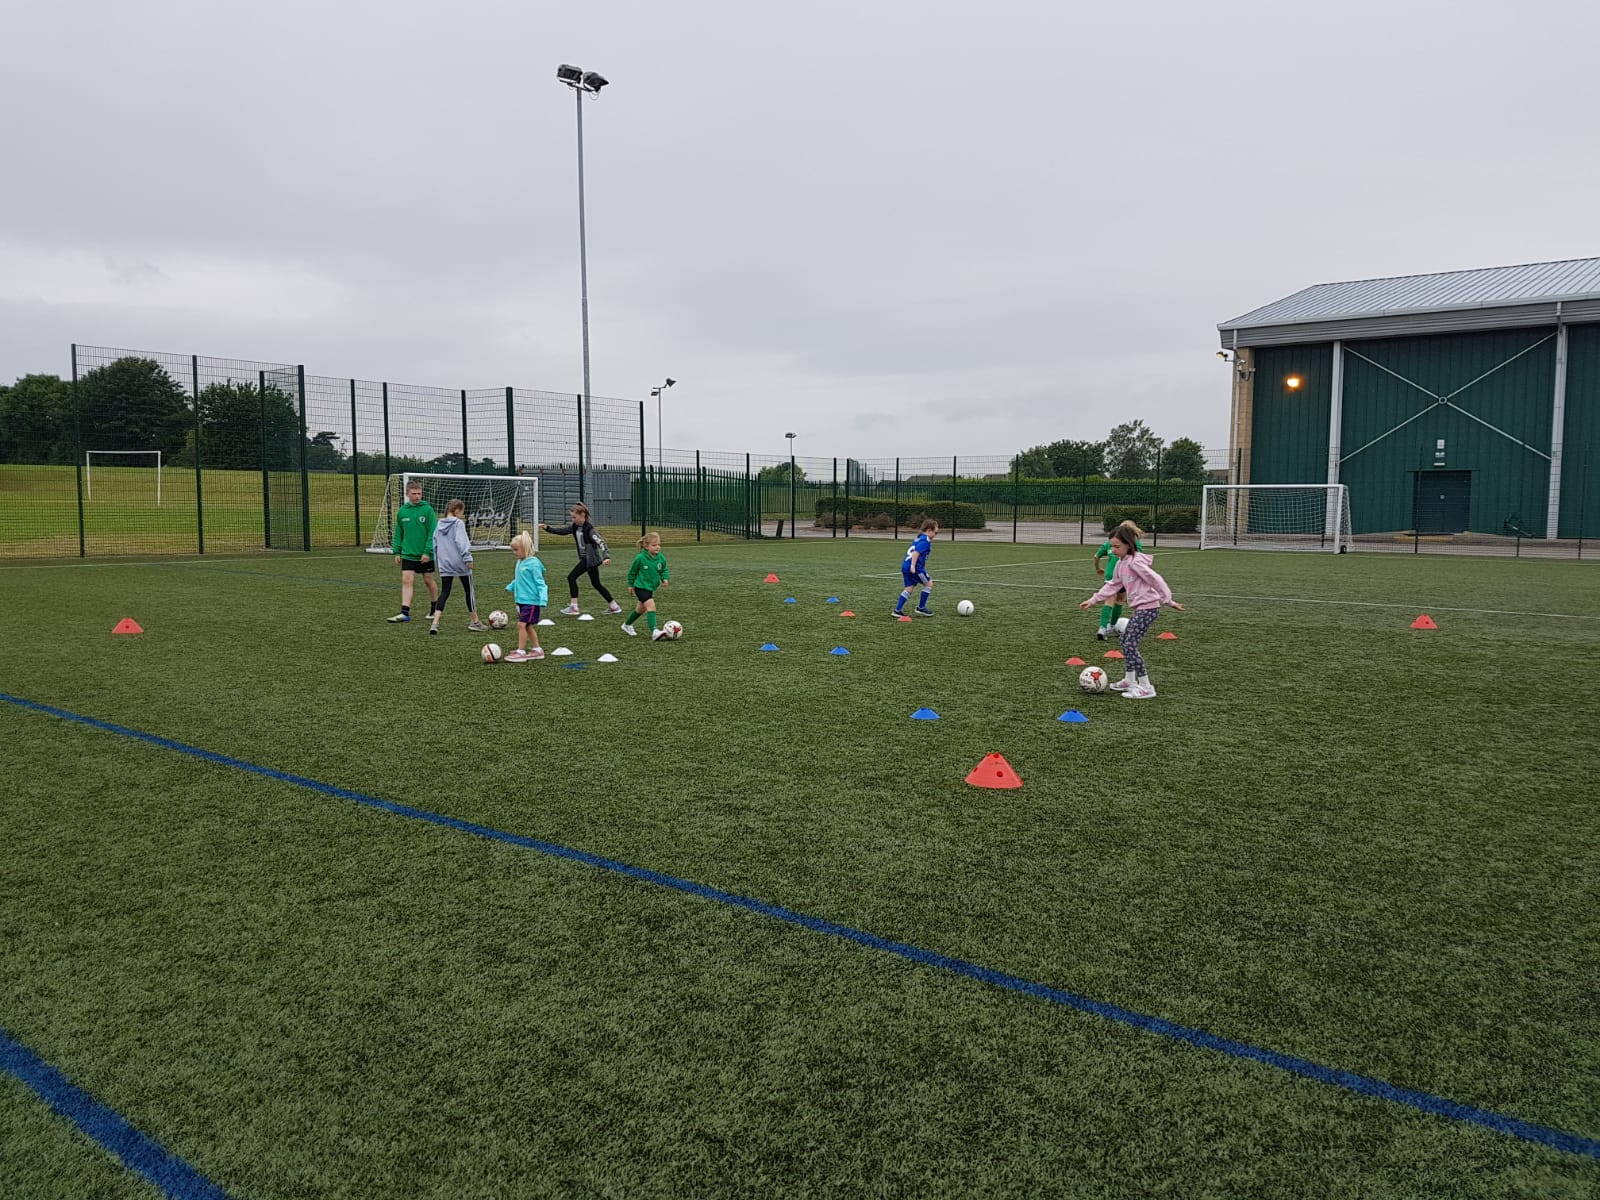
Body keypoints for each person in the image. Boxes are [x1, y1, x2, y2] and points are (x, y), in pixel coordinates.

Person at [1079, 529, 1184, 699]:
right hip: (1140, 609)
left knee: (1130, 645)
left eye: (1117, 546)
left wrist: (1168, 600)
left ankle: (1146, 686)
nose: (1113, 550)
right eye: (1111, 546)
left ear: (1128, 545)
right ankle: (1129, 680)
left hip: (1148, 609)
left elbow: (1156, 579)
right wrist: (1093, 600)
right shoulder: (1121, 563)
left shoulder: (1135, 563)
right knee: (1124, 640)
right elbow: (1112, 585)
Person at [540, 502, 620, 616]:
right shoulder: (575, 527)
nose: (573, 520)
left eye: (574, 517)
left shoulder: (589, 529)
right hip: (586, 560)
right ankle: (614, 606)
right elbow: (562, 531)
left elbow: (601, 543)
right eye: (572, 517)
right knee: (596, 584)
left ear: (583, 515)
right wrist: (548, 528)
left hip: (590, 560)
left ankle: (574, 607)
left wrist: (606, 556)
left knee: (571, 577)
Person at [429, 499, 488, 635]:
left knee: (445, 592)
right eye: (462, 512)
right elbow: (461, 542)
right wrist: (468, 558)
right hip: (460, 562)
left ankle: (435, 623)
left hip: (445, 563)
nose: (463, 515)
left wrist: (439, 563)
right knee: (469, 590)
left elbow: (435, 545)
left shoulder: (438, 525)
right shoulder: (458, 524)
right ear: (456, 511)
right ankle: (475, 621)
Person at [387, 479, 440, 623]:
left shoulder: (427, 510)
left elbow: (433, 533)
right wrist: (397, 551)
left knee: (428, 580)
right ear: (407, 494)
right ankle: (404, 612)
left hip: (425, 554)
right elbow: (399, 533)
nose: (417, 496)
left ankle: (434, 608)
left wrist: (427, 552)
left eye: (419, 493)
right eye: (414, 493)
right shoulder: (402, 511)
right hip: (408, 553)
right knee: (407, 580)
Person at [1093, 520, 1144, 640]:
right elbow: (1139, 561)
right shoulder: (1135, 544)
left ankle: (1102, 628)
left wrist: (1098, 568)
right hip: (1125, 577)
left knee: (1109, 601)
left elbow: (1096, 556)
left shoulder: (1109, 543)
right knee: (1120, 601)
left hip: (1111, 576)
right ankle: (1112, 626)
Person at [503, 530, 547, 661]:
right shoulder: (520, 561)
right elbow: (520, 579)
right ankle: (537, 650)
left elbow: (541, 583)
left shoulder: (533, 563)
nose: (514, 553)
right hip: (522, 600)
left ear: (525, 548)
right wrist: (511, 586)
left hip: (531, 601)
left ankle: (521, 651)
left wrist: (543, 598)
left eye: (516, 550)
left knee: (521, 625)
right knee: (527, 626)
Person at [622, 532, 670, 640]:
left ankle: (627, 625)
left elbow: (664, 569)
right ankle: (654, 631)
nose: (657, 547)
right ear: (646, 546)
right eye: (654, 545)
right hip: (640, 587)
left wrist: (665, 578)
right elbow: (632, 572)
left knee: (640, 609)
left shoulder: (661, 558)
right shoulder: (640, 558)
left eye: (659, 544)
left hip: (650, 587)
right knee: (651, 606)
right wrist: (630, 585)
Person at [893, 519, 940, 617]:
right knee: (929, 584)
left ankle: (897, 610)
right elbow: (916, 553)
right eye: (935, 532)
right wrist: (913, 566)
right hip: (915, 568)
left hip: (905, 566)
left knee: (909, 588)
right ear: (929, 530)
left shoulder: (919, 538)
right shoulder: (925, 541)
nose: (936, 535)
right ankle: (921, 608)